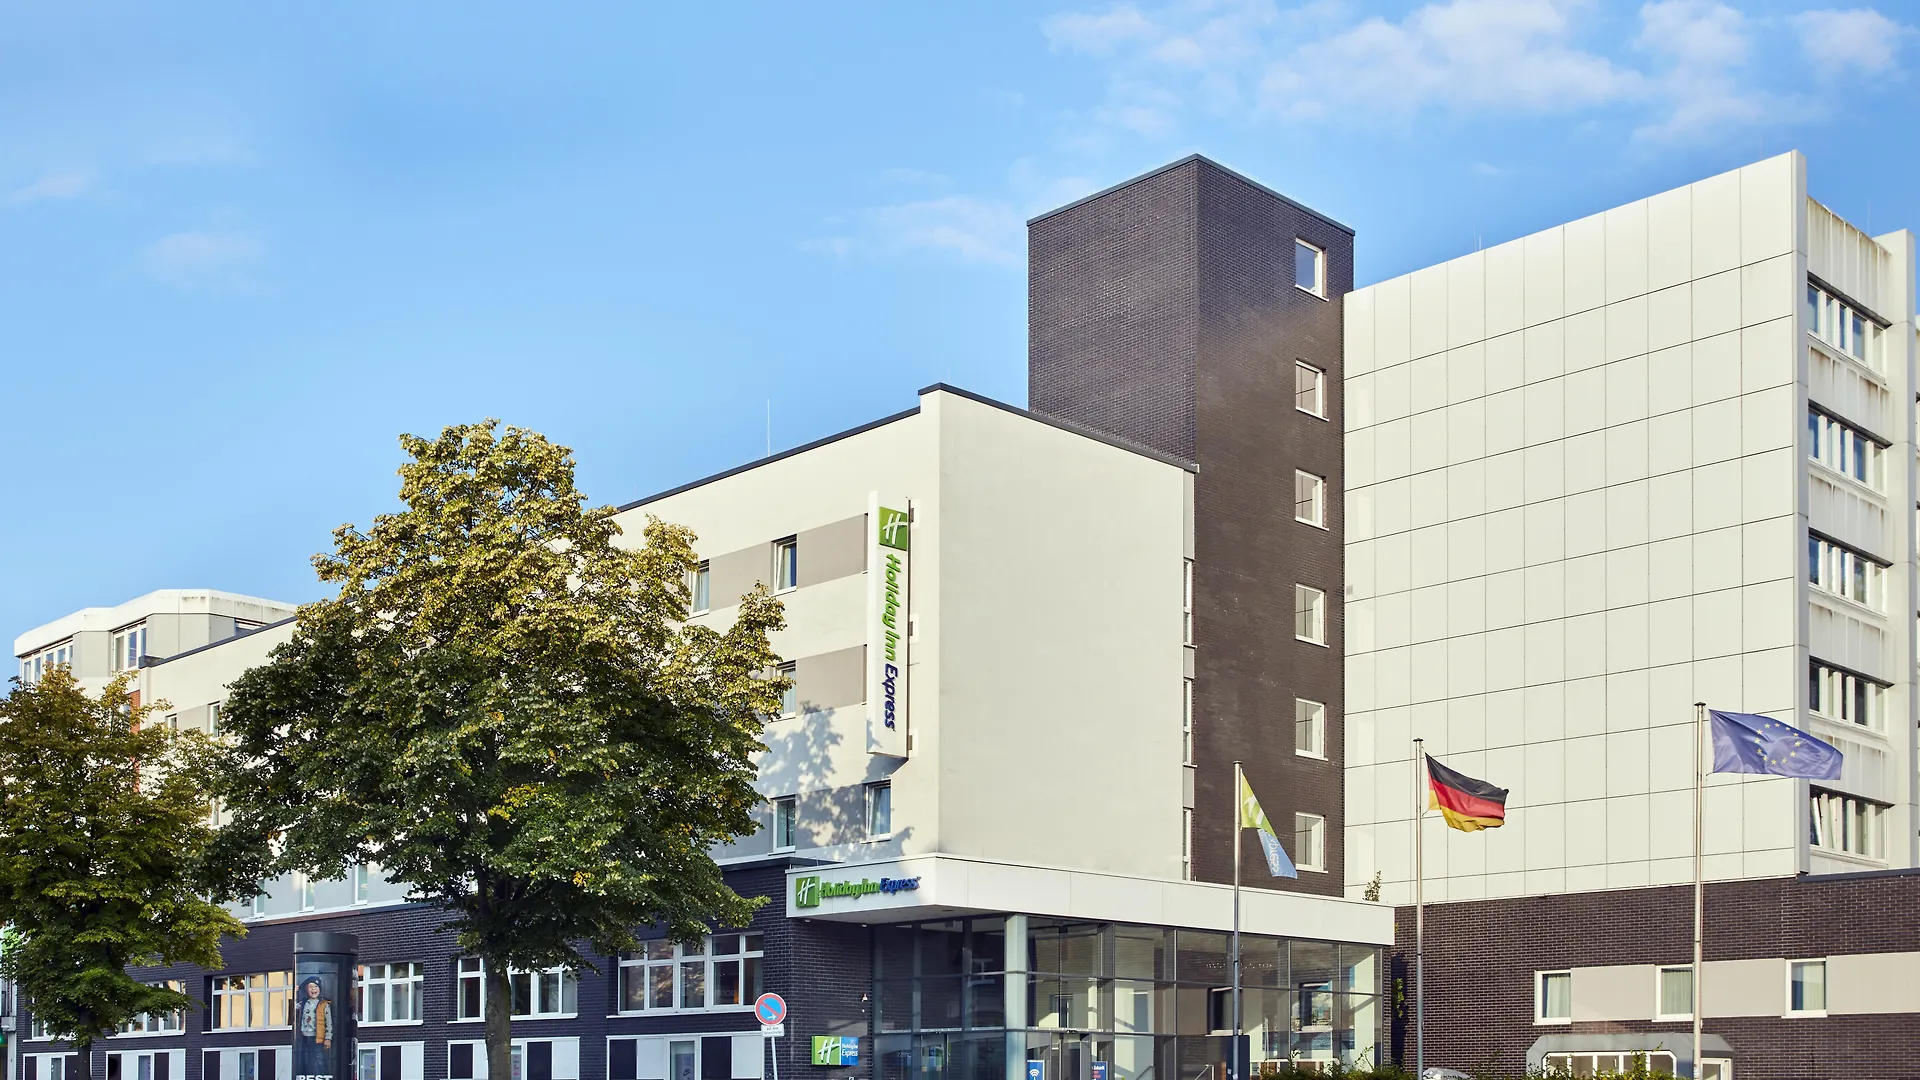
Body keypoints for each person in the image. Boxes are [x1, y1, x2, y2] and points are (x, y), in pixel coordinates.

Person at [295, 977, 334, 1080]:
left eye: (316, 986)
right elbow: (292, 1008)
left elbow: (328, 1022)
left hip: (317, 1037)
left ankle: (323, 1075)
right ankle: (307, 1075)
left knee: (319, 1057)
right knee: (305, 1057)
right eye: (310, 987)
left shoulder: (323, 1004)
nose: (313, 989)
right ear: (306, 990)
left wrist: (328, 1038)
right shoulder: (303, 1003)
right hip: (304, 1036)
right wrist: (295, 991)